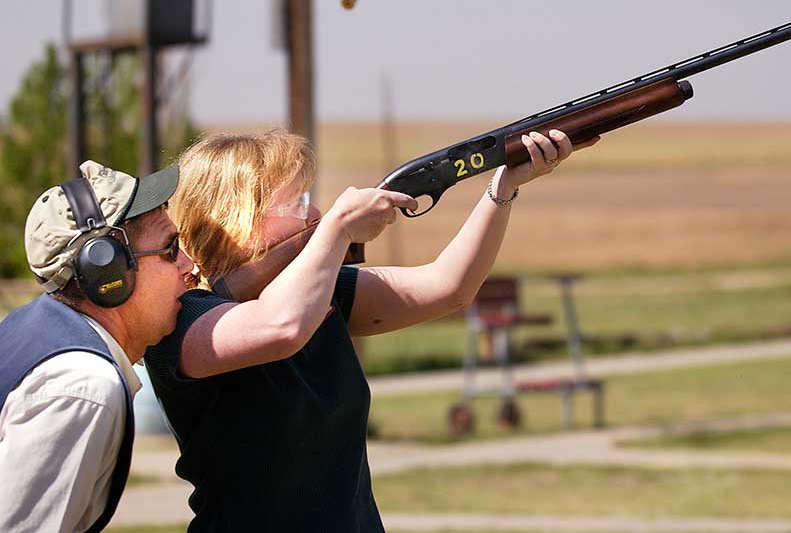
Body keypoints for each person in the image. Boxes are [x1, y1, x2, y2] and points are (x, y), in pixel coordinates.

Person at [145, 127, 598, 531]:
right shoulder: (183, 318)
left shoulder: (322, 295)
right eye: (297, 202)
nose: (316, 211)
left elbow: (449, 287)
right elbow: (280, 327)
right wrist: (338, 230)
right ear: (236, 214)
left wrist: (503, 187)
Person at [0, 160, 194, 532]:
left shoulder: (35, 329)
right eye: (171, 250)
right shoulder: (83, 387)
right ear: (107, 272)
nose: (188, 264)